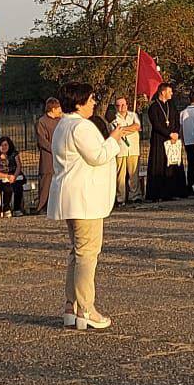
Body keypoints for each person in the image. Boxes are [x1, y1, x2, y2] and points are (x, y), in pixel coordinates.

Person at [49, 82, 131, 330]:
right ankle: (87, 308)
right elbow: (98, 156)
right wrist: (114, 137)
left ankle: (71, 305)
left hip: (72, 197)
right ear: (78, 103)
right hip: (85, 199)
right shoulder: (80, 126)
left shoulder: (62, 125)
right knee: (87, 255)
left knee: (77, 252)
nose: (94, 103)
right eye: (91, 99)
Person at [145, 83, 185, 202]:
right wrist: (168, 133)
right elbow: (156, 124)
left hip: (173, 139)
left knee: (172, 165)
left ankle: (173, 191)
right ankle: (157, 193)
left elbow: (177, 121)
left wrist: (176, 133)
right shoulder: (153, 107)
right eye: (169, 91)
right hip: (160, 140)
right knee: (159, 165)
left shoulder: (171, 106)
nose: (171, 93)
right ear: (163, 92)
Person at [111, 95, 142, 206]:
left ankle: (135, 195)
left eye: (123, 104)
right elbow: (116, 132)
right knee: (120, 175)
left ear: (127, 105)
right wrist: (130, 128)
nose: (121, 107)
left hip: (133, 148)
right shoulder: (114, 118)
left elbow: (137, 126)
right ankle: (120, 198)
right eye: (119, 105)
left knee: (134, 174)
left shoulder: (133, 115)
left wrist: (124, 129)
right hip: (121, 149)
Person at [35, 97, 62, 213]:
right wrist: (54, 148)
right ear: (53, 109)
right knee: (46, 181)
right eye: (59, 108)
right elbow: (42, 140)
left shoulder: (60, 121)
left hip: (60, 155)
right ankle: (42, 206)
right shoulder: (42, 122)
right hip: (48, 156)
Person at [0, 136, 25, 217]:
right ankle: (6, 208)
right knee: (7, 189)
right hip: (1, 176)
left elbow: (19, 166)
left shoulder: (14, 154)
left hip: (15, 175)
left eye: (6, 145)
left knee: (18, 187)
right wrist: (7, 176)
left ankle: (17, 209)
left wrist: (14, 176)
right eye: (2, 145)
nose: (4, 147)